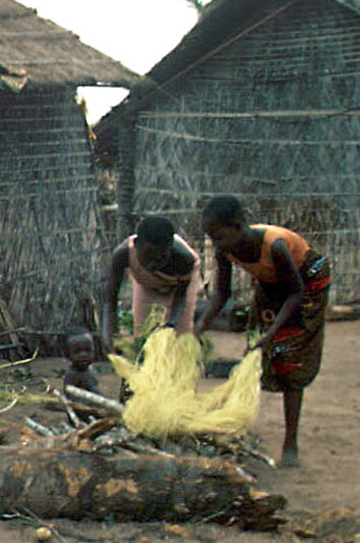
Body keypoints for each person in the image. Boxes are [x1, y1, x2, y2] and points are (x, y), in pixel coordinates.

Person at [195, 195, 329, 468]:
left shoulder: (275, 247)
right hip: (271, 284)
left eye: (218, 236)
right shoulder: (225, 250)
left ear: (237, 226)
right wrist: (197, 329)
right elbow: (221, 294)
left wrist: (271, 335)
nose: (215, 244)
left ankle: (290, 443)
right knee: (256, 357)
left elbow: (295, 294)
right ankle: (240, 428)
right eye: (211, 238)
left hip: (306, 283)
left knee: (291, 359)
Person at [101, 214, 203, 346]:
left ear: (170, 250)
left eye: (161, 258)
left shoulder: (184, 259)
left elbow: (181, 296)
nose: (152, 264)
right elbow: (110, 299)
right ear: (136, 245)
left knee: (179, 339)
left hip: (177, 286)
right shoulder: (123, 254)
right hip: (146, 284)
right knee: (144, 337)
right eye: (147, 256)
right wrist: (109, 337)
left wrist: (171, 325)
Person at [61, 329, 100, 396]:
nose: (84, 355)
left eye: (88, 350)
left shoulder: (91, 370)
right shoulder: (72, 376)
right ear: (67, 355)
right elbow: (71, 396)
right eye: (77, 352)